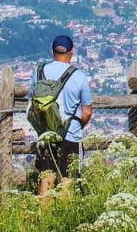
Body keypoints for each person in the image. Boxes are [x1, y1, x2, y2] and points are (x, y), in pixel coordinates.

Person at [29, 33, 93, 197]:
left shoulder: (39, 72)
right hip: (70, 134)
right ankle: (64, 217)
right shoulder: (79, 76)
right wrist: (78, 125)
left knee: (46, 177)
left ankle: (44, 216)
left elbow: (32, 101)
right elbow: (87, 112)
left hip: (46, 134)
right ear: (72, 52)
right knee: (68, 178)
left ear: (52, 52)